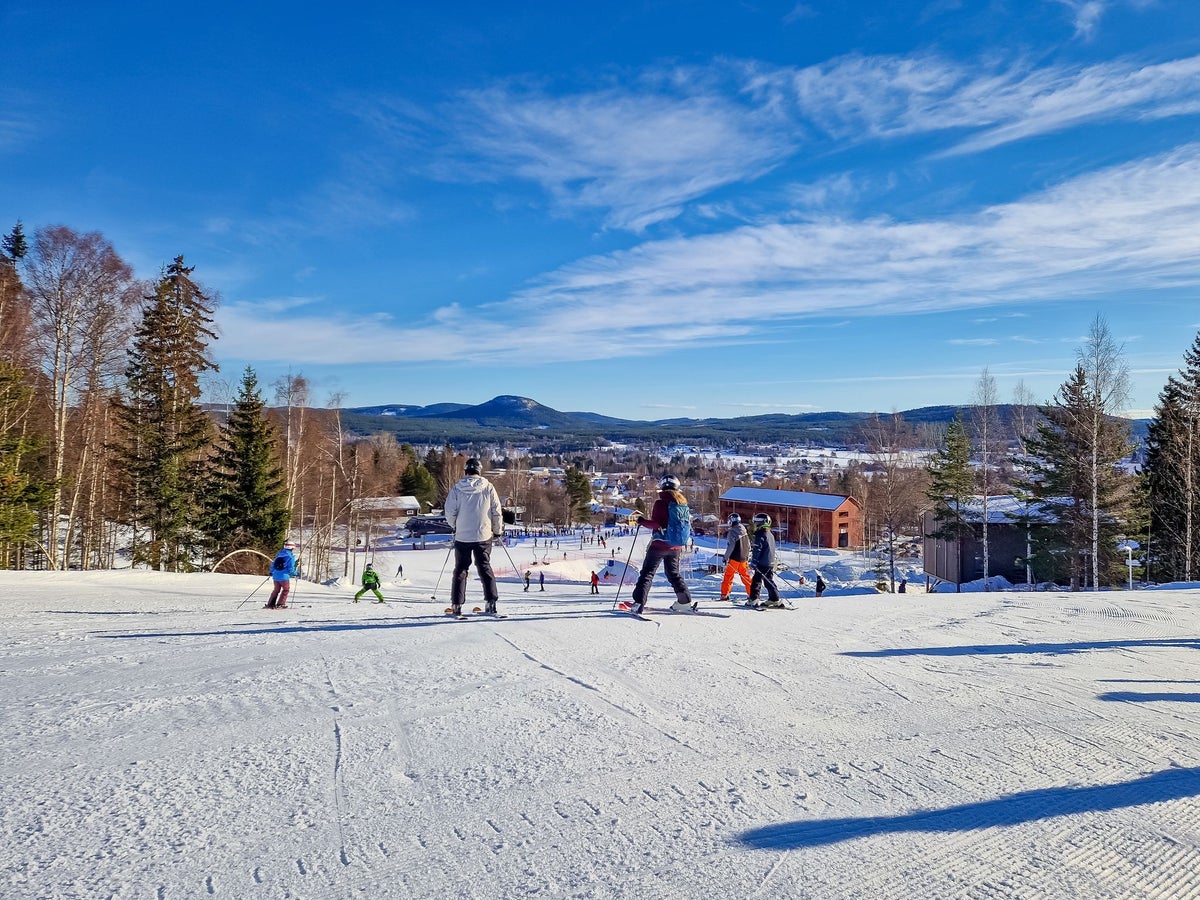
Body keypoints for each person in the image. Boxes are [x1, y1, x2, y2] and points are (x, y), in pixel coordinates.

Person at [444, 457, 504, 617]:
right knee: (484, 567)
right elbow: (496, 511)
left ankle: (456, 604)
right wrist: (497, 530)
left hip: (463, 536)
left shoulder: (457, 488)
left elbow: (449, 511)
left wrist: (455, 526)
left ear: (466, 470)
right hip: (483, 535)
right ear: (479, 470)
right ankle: (491, 602)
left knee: (461, 570)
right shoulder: (488, 487)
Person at [628, 475, 694, 614]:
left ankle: (638, 603)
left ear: (662, 486)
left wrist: (642, 521)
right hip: (676, 546)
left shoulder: (661, 503)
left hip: (659, 545)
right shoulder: (682, 503)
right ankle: (685, 601)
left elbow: (656, 524)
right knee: (674, 574)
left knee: (647, 573)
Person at [747, 514, 783, 609]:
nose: (756, 523)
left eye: (757, 521)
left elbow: (757, 549)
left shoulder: (760, 534)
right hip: (769, 562)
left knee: (756, 580)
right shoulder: (770, 534)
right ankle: (774, 598)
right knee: (768, 580)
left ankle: (753, 599)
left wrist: (754, 561)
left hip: (762, 562)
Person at [718, 513, 753, 602]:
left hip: (734, 558)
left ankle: (724, 594)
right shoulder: (744, 530)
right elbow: (748, 545)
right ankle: (752, 594)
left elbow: (731, 546)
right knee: (745, 576)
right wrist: (747, 556)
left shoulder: (732, 532)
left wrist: (725, 557)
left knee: (728, 576)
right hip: (744, 558)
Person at [266, 541, 299, 609]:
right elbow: (290, 569)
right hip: (284, 577)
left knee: (276, 590)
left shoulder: (279, 554)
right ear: (292, 548)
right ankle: (280, 604)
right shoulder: (290, 557)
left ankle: (270, 604)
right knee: (286, 590)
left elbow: (273, 564)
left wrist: (271, 572)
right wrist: (296, 573)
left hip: (275, 576)